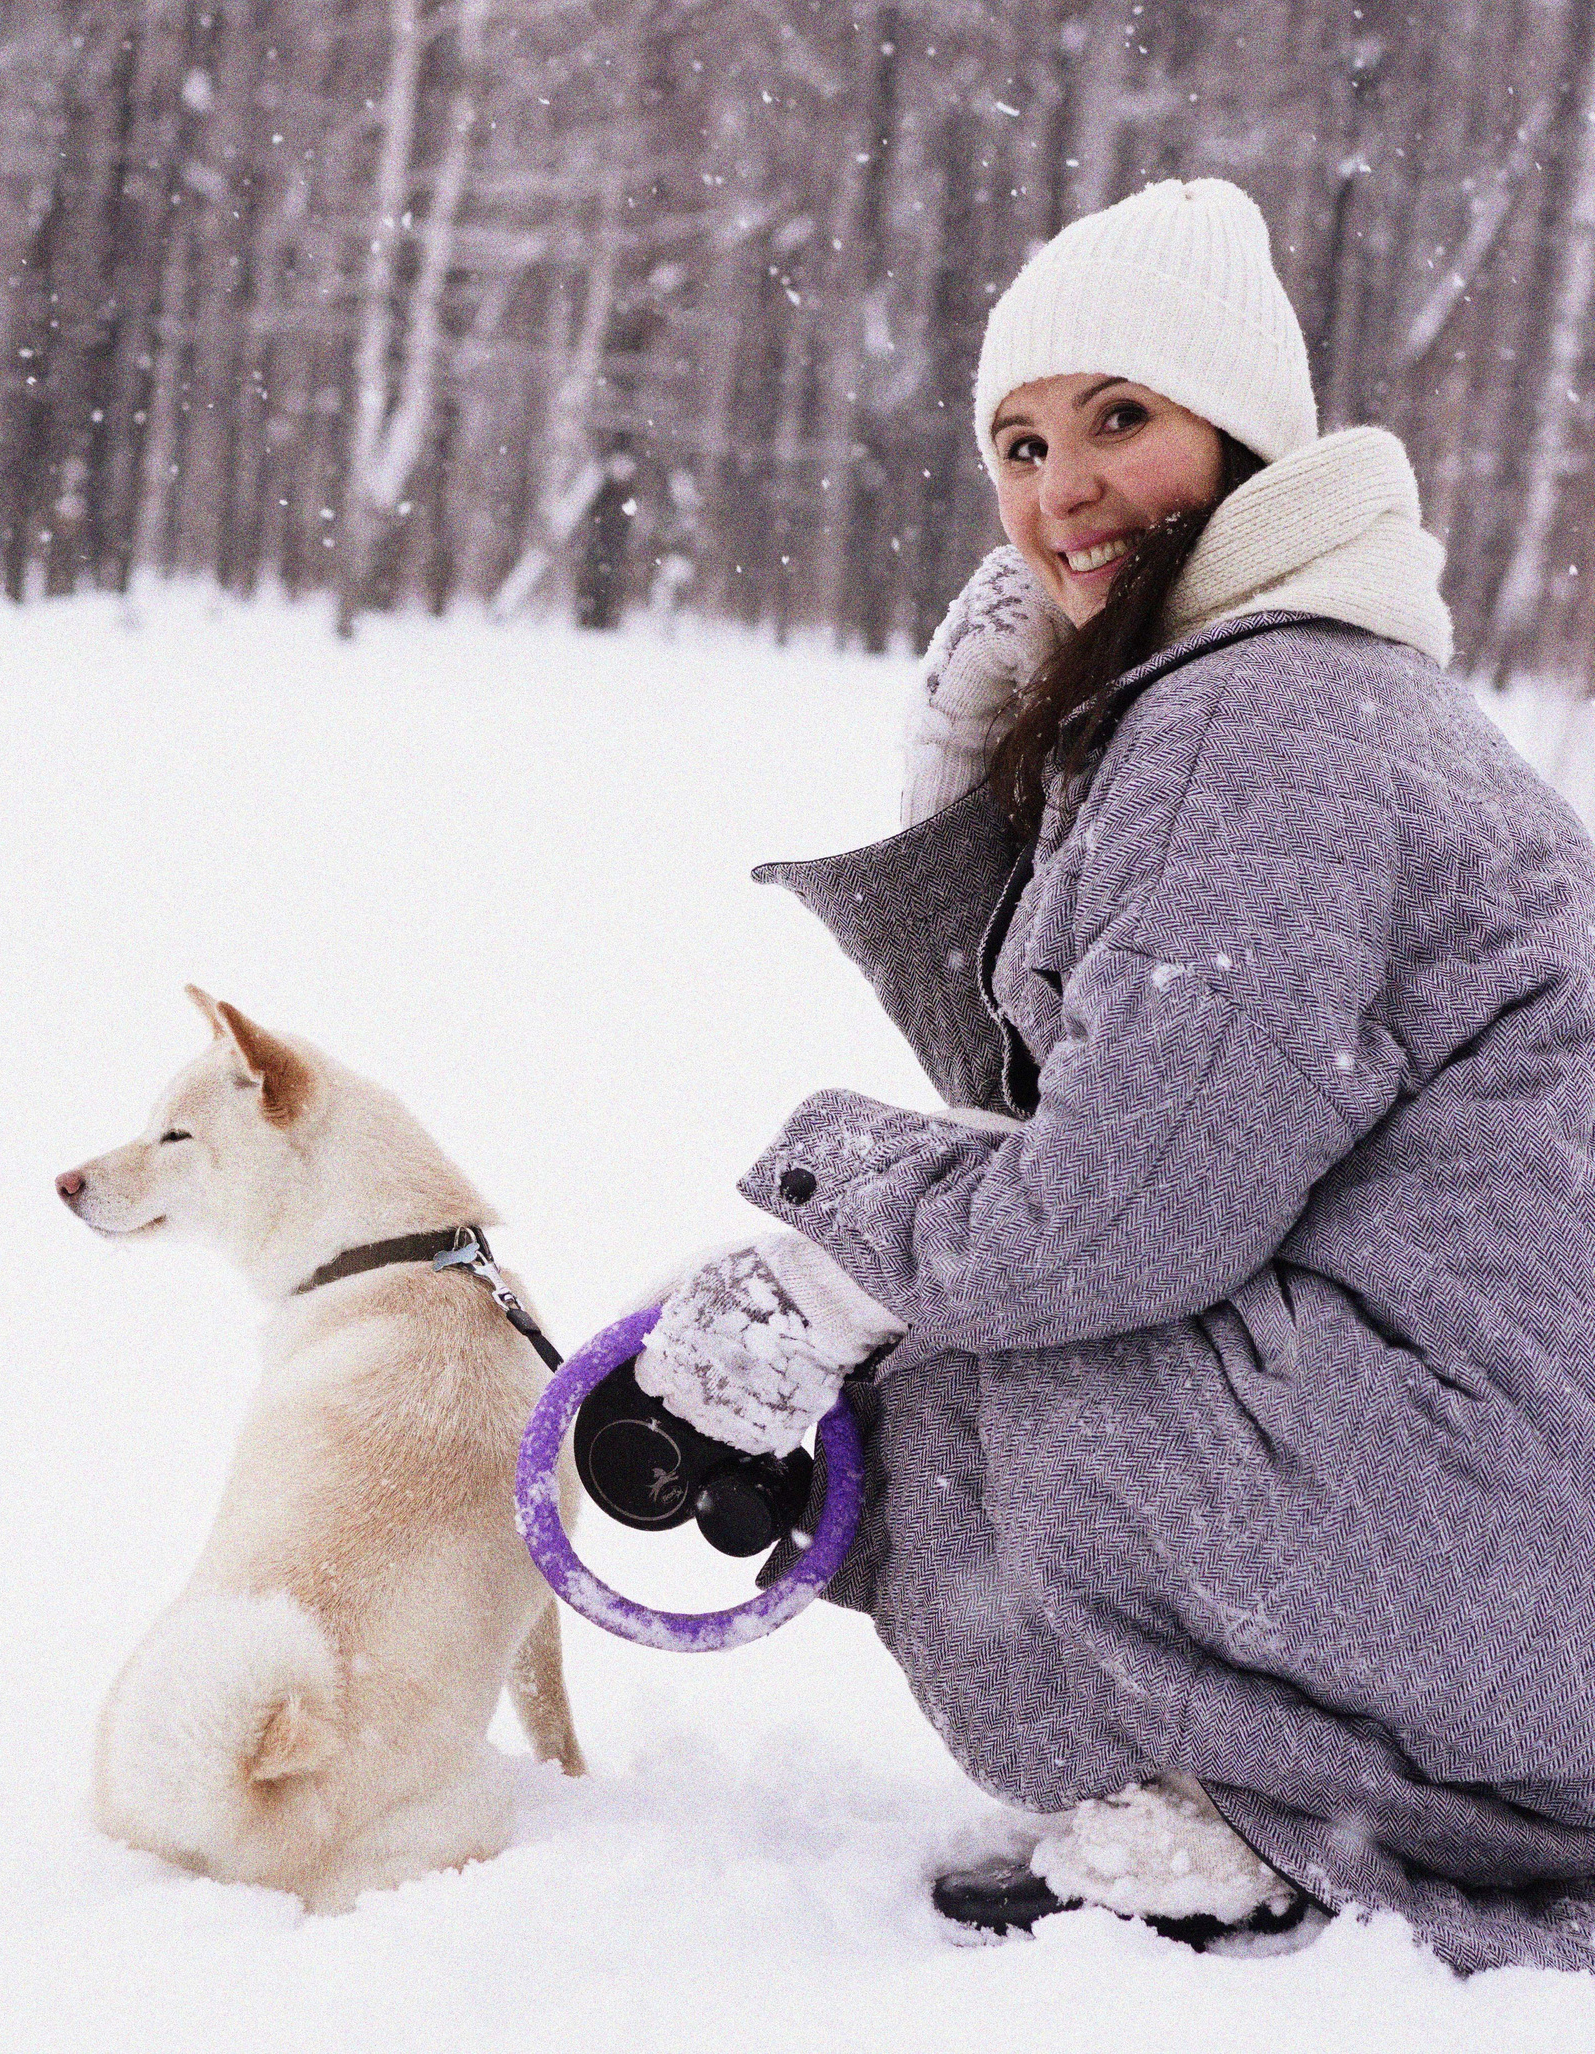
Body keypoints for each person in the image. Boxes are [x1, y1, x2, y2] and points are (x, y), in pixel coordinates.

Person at [630, 178, 1595, 1972]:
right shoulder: (1308, 696)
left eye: (1120, 419)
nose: (1059, 486)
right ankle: (1238, 1803)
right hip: (1522, 1527)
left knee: (971, 1371)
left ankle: (1273, 1808)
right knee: (947, 1350)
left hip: (1500, 1528)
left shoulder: (1264, 713)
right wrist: (971, 804)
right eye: (1018, 439)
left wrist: (830, 1251)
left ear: (1244, 441)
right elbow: (1117, 1117)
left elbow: (1119, 1211)